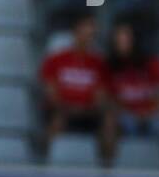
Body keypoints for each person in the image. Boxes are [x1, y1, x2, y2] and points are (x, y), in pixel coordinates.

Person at [39, 13, 110, 148]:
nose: (89, 36)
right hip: (62, 111)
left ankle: (106, 166)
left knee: (108, 122)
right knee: (57, 120)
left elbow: (101, 95)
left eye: (92, 33)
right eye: (85, 31)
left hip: (88, 113)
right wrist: (67, 108)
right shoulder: (56, 59)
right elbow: (50, 91)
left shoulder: (99, 63)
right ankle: (47, 161)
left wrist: (86, 109)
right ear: (75, 31)